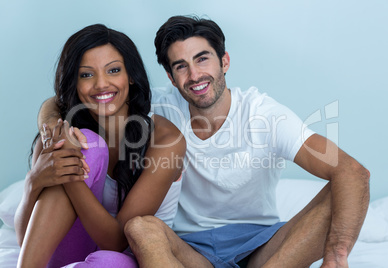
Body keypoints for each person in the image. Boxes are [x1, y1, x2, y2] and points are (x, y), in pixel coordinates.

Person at [39, 16, 370, 268]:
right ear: (170, 77)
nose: (194, 75)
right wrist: (51, 127)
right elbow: (61, 100)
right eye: (181, 66)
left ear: (224, 62)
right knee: (140, 228)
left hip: (263, 246)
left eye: (203, 59)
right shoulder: (161, 110)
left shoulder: (266, 116)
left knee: (342, 189)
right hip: (187, 252)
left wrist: (335, 258)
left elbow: (354, 172)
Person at [15, 24, 186, 268]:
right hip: (65, 252)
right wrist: (33, 183)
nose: (101, 84)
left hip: (130, 251)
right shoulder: (62, 134)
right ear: (73, 83)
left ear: (131, 76)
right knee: (90, 144)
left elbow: (117, 241)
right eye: (86, 75)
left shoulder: (166, 138)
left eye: (114, 70)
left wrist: (70, 173)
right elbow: (27, 242)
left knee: (110, 261)